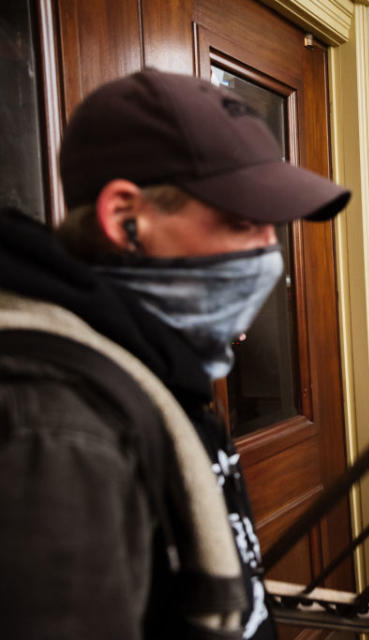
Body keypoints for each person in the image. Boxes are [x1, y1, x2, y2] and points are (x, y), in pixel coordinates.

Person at [0, 70, 350, 639]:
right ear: (125, 219)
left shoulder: (153, 363)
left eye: (272, 228)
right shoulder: (53, 422)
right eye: (240, 222)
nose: (269, 254)